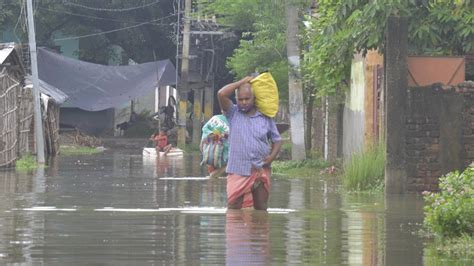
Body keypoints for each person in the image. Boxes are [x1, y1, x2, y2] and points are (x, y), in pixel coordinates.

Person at [217, 76, 282, 211]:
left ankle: (258, 231)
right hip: (238, 169)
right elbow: (221, 94)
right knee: (234, 207)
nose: (244, 102)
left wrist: (270, 158)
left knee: (261, 208)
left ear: (254, 99)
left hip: (261, 169)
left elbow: (277, 140)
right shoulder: (233, 113)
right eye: (240, 99)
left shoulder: (265, 117)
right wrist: (242, 82)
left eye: (247, 99)